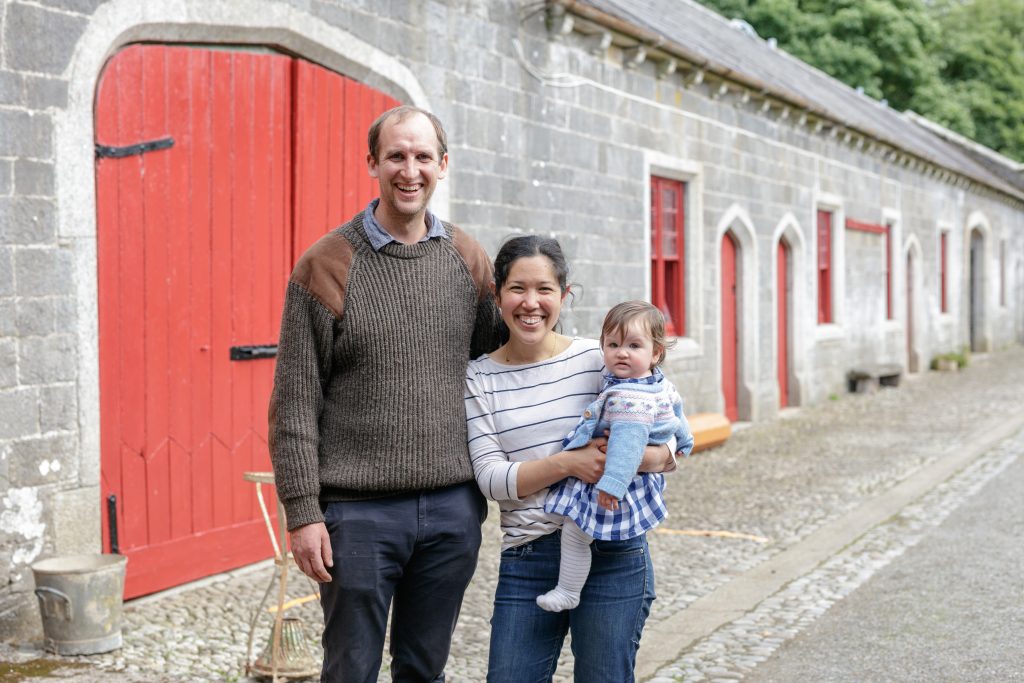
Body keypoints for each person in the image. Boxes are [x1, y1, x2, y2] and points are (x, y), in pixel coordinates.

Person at [268, 105, 500, 682]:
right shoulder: (326, 264)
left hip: (451, 508)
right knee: (351, 669)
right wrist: (302, 513)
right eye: (396, 155)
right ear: (372, 162)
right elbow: (295, 402)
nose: (410, 169)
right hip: (356, 516)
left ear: (442, 166)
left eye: (423, 156)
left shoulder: (467, 259)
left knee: (425, 668)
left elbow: (502, 366)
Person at [464, 236, 682, 682]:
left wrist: (655, 456)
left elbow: (661, 416)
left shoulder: (597, 357)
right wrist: (569, 463)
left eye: (544, 289)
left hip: (612, 553)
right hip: (527, 557)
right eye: (517, 289)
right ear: (497, 293)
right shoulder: (479, 377)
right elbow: (489, 478)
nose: (531, 303)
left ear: (564, 295)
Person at [537, 300, 694, 612]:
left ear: (656, 353)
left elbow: (627, 445)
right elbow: (677, 412)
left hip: (619, 482)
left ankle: (568, 590)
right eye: (613, 344)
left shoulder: (628, 398)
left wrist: (612, 484)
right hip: (636, 479)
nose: (622, 353)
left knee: (574, 533)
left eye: (634, 345)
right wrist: (684, 441)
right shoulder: (656, 382)